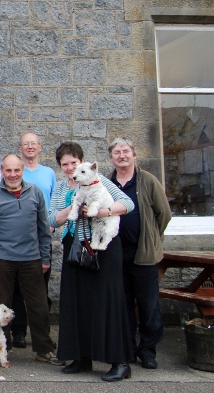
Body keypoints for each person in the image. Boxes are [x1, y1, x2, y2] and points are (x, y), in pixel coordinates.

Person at [49, 142, 135, 381]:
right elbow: (52, 219)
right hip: (74, 247)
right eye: (65, 164)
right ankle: (81, 356)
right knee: (77, 302)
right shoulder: (59, 188)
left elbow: (127, 204)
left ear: (82, 162)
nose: (69, 168)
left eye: (73, 163)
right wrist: (73, 206)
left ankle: (120, 361)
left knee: (107, 301)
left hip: (103, 246)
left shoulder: (100, 181)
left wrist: (101, 212)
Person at [0, 154, 60, 367]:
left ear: (22, 171)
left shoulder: (34, 192)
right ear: (1, 171)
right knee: (1, 308)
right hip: (2, 258)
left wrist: (45, 256)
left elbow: (43, 228)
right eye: (8, 170)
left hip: (31, 258)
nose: (13, 174)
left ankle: (44, 350)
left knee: (39, 306)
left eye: (17, 170)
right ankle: (2, 350)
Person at [107, 138, 171, 370]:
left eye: (126, 151)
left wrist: (152, 237)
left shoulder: (148, 181)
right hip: (115, 254)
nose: (122, 155)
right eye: (117, 152)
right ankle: (127, 349)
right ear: (111, 157)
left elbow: (163, 214)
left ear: (134, 155)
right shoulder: (106, 182)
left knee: (148, 305)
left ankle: (148, 351)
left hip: (143, 253)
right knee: (122, 304)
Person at [10, 132, 56, 349]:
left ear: (40, 147)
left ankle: (42, 335)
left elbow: (55, 201)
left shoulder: (48, 174)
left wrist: (53, 222)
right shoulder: (15, 173)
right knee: (18, 292)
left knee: (40, 291)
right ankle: (18, 332)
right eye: (25, 144)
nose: (29, 147)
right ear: (20, 148)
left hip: (41, 237)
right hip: (17, 238)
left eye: (33, 144)